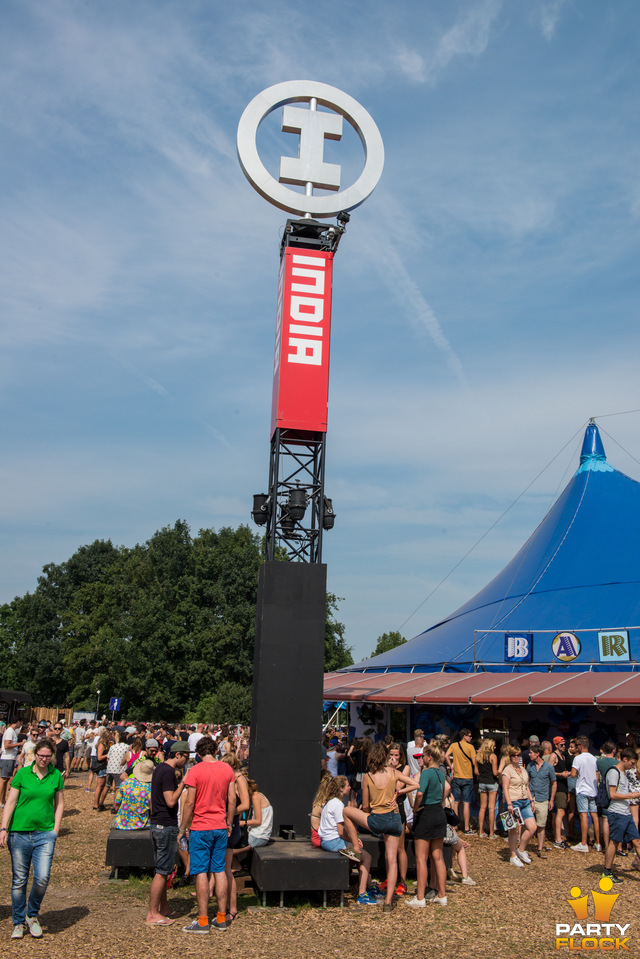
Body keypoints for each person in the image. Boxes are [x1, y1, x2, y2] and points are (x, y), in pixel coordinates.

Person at [339, 742, 418, 912]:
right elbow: (415, 785)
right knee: (392, 859)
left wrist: (370, 812)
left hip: (378, 819)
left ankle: (356, 848)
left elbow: (366, 806)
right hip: (395, 819)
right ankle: (389, 901)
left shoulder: (368, 776)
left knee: (346, 811)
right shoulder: (394, 772)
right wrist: (398, 793)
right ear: (385, 757)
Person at [0, 737, 64, 939]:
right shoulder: (22, 774)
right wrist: (3, 828)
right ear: (34, 755)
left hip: (45, 833)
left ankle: (32, 914)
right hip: (19, 832)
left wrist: (55, 829)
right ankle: (18, 922)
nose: (44, 759)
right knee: (19, 880)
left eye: (47, 756)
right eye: (40, 755)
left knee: (42, 877)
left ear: (51, 756)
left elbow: (60, 803)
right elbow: (10, 802)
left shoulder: (55, 776)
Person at [179, 735, 236, 934]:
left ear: (199, 752)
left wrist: (182, 828)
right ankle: (221, 917)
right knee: (220, 870)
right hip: (220, 826)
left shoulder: (194, 771)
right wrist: (229, 822)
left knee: (201, 872)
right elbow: (231, 799)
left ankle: (202, 920)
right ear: (215, 750)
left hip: (200, 827)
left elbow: (189, 803)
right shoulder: (227, 769)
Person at [145, 741, 190, 925]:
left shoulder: (159, 769)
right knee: (162, 871)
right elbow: (171, 801)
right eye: (186, 756)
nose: (186, 760)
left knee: (162, 869)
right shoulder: (169, 772)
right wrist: (184, 784)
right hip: (165, 825)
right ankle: (153, 913)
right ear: (178, 755)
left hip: (157, 823)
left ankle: (163, 907)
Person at [317, 775, 375, 905]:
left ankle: (364, 882)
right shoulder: (338, 804)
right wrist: (354, 840)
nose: (350, 787)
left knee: (354, 857)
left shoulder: (329, 802)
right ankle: (362, 893)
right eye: (348, 785)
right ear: (341, 789)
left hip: (326, 840)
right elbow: (341, 831)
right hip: (333, 841)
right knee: (366, 857)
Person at [407, 742, 449, 907]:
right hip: (439, 812)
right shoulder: (440, 774)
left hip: (426, 814)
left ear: (429, 757)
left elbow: (419, 793)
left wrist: (415, 809)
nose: (421, 758)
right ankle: (442, 895)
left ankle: (419, 898)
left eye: (423, 755)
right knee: (438, 857)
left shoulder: (426, 773)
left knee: (421, 858)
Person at [602, 747, 640, 884]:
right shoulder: (614, 772)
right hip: (617, 813)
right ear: (625, 759)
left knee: (637, 841)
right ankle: (607, 872)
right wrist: (633, 795)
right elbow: (612, 795)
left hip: (626, 813)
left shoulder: (624, 773)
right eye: (632, 763)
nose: (633, 766)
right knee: (614, 842)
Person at [501, 745, 537, 867]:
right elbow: (505, 788)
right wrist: (509, 803)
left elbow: (526, 786)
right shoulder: (507, 770)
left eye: (518, 755)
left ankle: (521, 850)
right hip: (514, 801)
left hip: (525, 801)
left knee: (532, 827)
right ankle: (513, 855)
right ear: (510, 757)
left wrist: (531, 801)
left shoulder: (523, 769)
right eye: (514, 756)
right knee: (514, 831)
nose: (516, 757)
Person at [526, 742, 556, 858]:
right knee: (527, 824)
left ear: (538, 754)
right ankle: (523, 847)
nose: (529, 755)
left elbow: (554, 783)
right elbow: (527, 782)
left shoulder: (549, 767)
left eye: (531, 753)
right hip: (531, 798)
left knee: (541, 825)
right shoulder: (530, 766)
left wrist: (552, 799)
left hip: (543, 799)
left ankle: (540, 848)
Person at [445, 730, 479, 835]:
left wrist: (451, 767)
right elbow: (474, 762)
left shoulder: (454, 745)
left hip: (457, 776)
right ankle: (466, 827)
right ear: (464, 736)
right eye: (469, 736)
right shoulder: (470, 747)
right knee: (466, 803)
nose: (471, 738)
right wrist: (476, 769)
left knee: (455, 802)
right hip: (468, 777)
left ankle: (454, 826)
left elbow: (446, 755)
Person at [571, 736, 600, 852]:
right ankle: (598, 842)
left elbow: (573, 774)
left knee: (583, 815)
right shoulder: (594, 759)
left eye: (577, 745)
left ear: (580, 746)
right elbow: (597, 775)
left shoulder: (578, 759)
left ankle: (584, 843)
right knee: (595, 816)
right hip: (593, 790)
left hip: (582, 789)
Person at [113, 760, 153, 829]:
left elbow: (117, 805)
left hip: (122, 824)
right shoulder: (151, 787)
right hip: (143, 825)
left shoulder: (125, 783)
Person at [550, 736, 570, 848]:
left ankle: (557, 837)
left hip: (563, 785)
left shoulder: (563, 756)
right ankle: (557, 839)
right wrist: (561, 774)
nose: (564, 746)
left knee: (560, 812)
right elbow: (549, 770)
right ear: (556, 745)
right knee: (560, 812)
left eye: (564, 744)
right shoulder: (554, 755)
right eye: (561, 745)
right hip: (558, 787)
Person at [476, 738, 499, 838]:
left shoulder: (479, 756)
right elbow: (494, 772)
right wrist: (499, 773)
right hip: (492, 783)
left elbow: (476, 772)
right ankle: (491, 832)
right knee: (491, 808)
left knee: (482, 808)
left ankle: (480, 831)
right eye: (493, 746)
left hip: (482, 782)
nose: (495, 747)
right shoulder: (493, 756)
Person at [0, 720, 23, 807]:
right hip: (7, 758)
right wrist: (20, 743)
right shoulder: (10, 731)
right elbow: (6, 745)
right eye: (20, 723)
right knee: (3, 780)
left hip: (10, 757)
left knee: (5, 780)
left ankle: (2, 799)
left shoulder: (11, 731)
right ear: (17, 722)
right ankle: (0, 801)